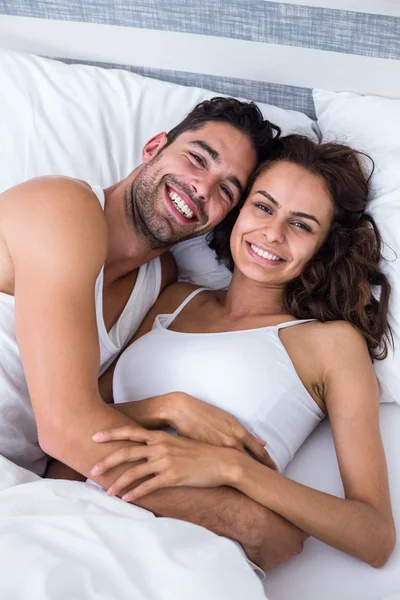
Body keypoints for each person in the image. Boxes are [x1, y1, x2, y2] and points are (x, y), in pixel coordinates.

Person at [0, 96, 308, 570]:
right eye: (197, 157)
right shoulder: (62, 206)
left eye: (227, 190)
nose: (202, 187)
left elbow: (81, 410)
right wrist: (246, 521)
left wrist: (166, 407)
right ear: (152, 148)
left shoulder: (158, 283)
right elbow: (66, 429)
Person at [78, 135, 396, 568]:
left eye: (301, 225)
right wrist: (168, 409)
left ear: (325, 246)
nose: (273, 233)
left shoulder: (333, 344)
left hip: (185, 556)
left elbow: (374, 536)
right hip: (75, 509)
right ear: (239, 209)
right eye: (263, 206)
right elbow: (78, 417)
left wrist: (233, 469)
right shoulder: (175, 298)